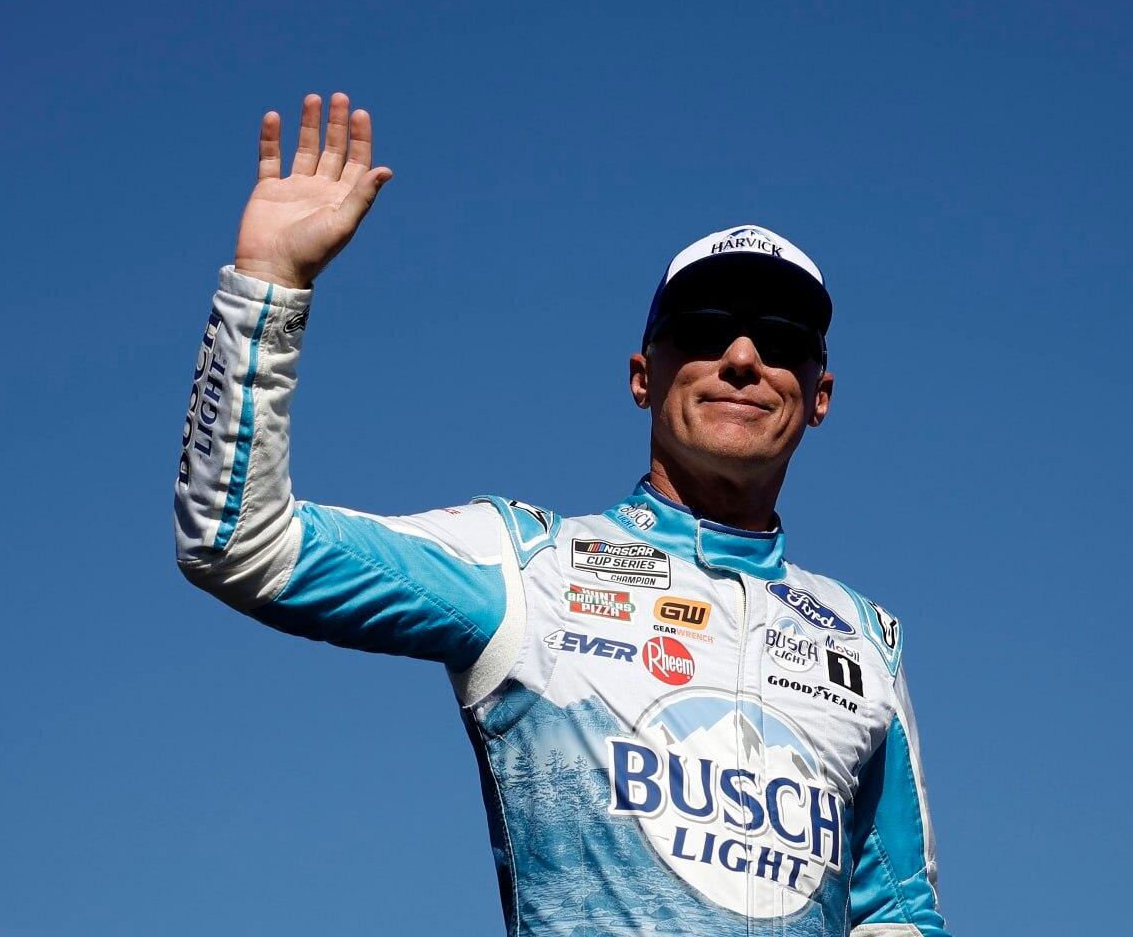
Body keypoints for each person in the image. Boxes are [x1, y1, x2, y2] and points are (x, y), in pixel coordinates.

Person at [175, 93, 951, 936]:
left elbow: (899, 915)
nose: (740, 357)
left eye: (782, 338)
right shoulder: (525, 565)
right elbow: (239, 543)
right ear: (642, 377)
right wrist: (268, 286)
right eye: (703, 328)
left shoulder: (865, 639)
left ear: (819, 395)